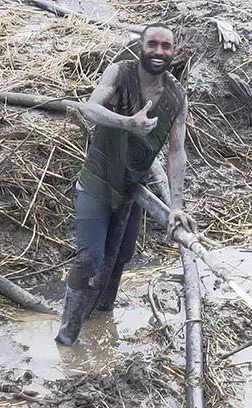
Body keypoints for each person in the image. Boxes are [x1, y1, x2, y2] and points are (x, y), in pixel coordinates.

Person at [55, 22, 197, 346]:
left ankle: (101, 314)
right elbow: (89, 108)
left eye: (166, 46)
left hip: (131, 189)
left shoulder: (177, 96)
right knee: (88, 259)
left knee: (122, 255)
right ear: (141, 47)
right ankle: (67, 335)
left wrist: (176, 206)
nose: (159, 51)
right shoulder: (120, 73)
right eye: (153, 45)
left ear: (173, 52)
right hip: (96, 184)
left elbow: (177, 152)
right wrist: (127, 123)